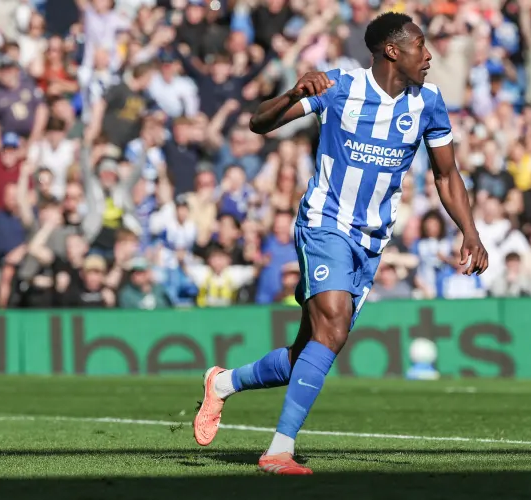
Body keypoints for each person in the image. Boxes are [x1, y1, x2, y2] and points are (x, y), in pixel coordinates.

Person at [192, 12, 489, 475]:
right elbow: (258, 123)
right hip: (324, 223)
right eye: (420, 46)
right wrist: (294, 92)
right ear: (393, 51)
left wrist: (470, 231)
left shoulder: (428, 102)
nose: (428, 56)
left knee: (307, 352)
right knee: (333, 327)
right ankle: (279, 452)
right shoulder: (338, 88)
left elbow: (447, 174)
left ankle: (223, 383)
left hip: (371, 242)